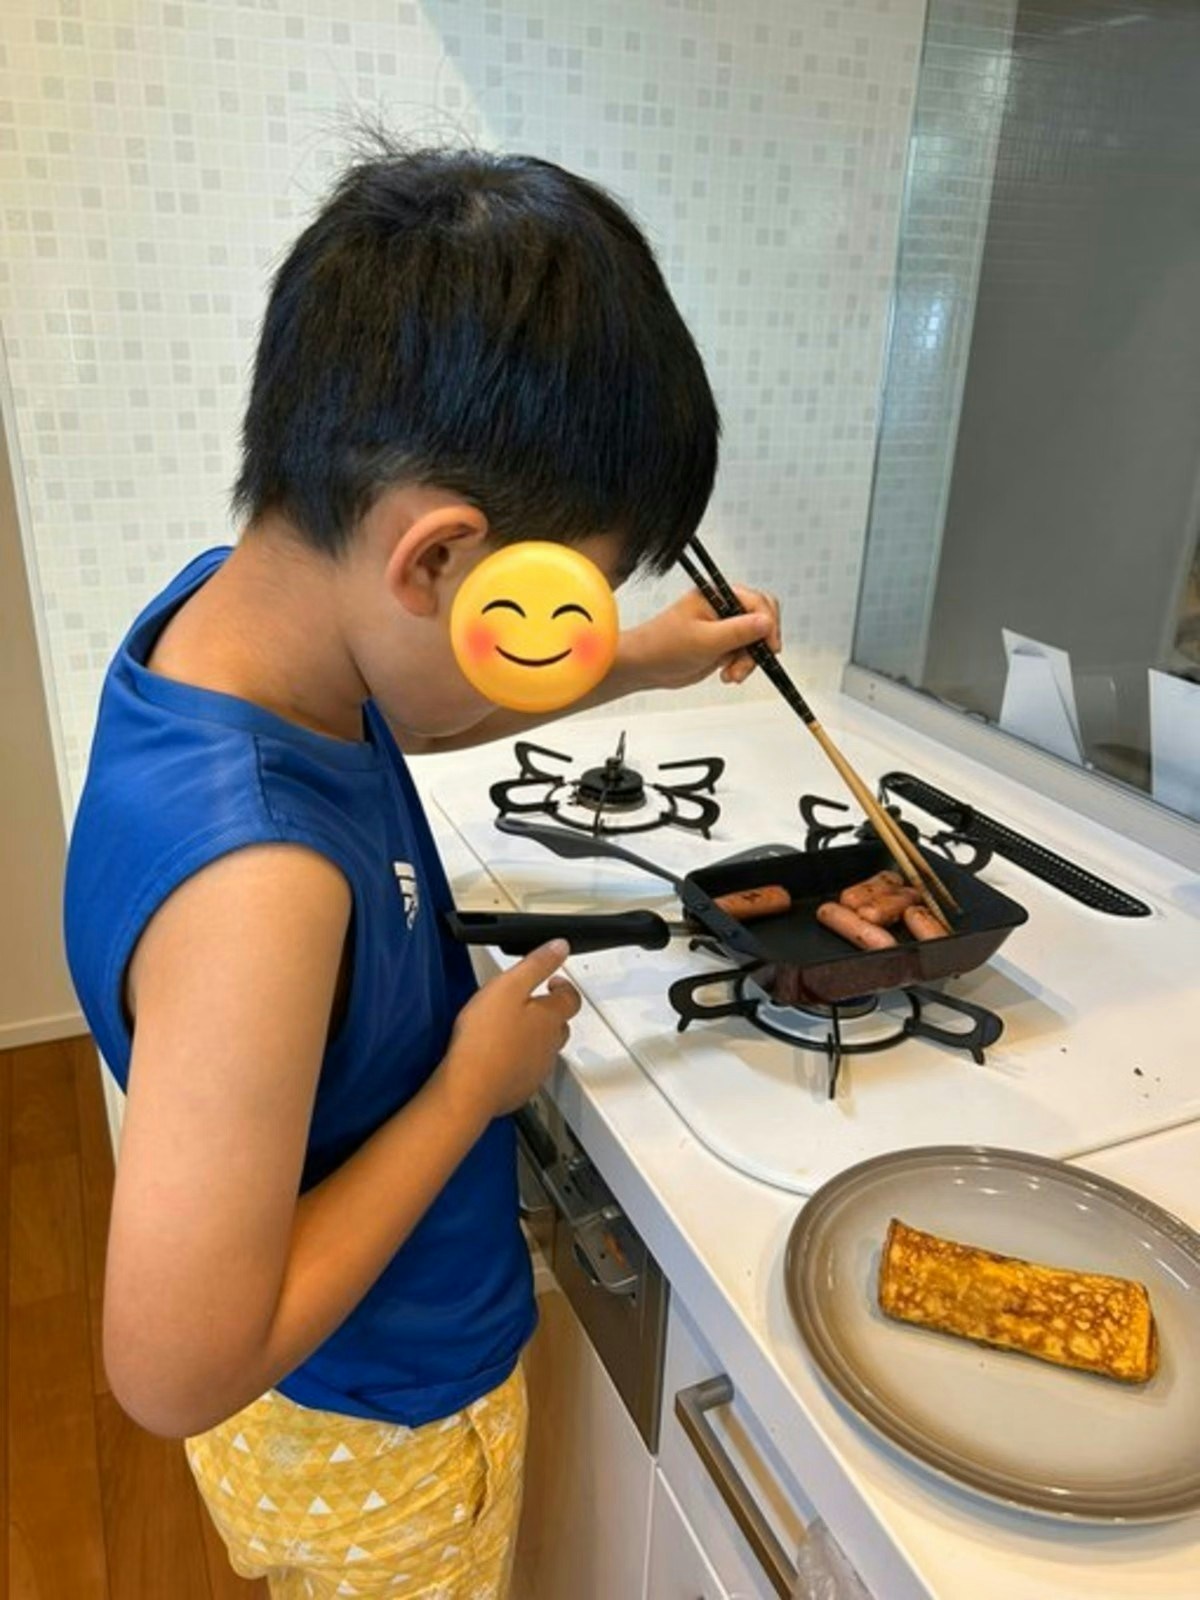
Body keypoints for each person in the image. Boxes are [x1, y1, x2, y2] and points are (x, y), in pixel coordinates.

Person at [64, 143, 780, 1600]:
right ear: (437, 558)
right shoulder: (259, 888)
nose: (566, 642)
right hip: (375, 1445)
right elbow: (170, 1367)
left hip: (340, 1398)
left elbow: (432, 697)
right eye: (564, 605)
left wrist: (641, 659)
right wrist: (469, 1088)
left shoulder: (244, 629)